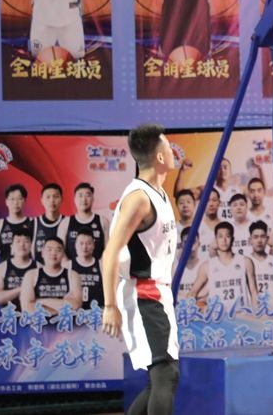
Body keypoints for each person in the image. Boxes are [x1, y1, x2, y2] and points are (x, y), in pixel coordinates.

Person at [101, 123, 180, 415]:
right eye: (168, 147)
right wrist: (110, 305)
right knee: (165, 374)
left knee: (160, 379)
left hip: (158, 293)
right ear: (159, 157)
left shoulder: (159, 192)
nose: (172, 151)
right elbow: (110, 253)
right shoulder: (139, 199)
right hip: (144, 294)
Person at [190, 222, 256, 311]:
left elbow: (254, 292)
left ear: (232, 239)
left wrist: (256, 314)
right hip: (217, 317)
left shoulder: (245, 261)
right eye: (220, 236)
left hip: (241, 316)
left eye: (227, 236)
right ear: (215, 239)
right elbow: (192, 293)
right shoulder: (207, 266)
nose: (224, 240)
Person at [21, 237, 81, 316]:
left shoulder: (72, 275)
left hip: (66, 322)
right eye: (49, 249)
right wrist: (62, 305)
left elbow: (76, 306)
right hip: (39, 323)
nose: (53, 253)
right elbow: (27, 308)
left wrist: (40, 301)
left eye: (58, 250)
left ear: (63, 254)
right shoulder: (31, 275)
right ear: (42, 253)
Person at [65, 182, 107, 261]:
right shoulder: (66, 222)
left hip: (97, 268)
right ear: (74, 199)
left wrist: (99, 265)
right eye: (80, 195)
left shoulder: (103, 221)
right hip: (71, 268)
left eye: (87, 195)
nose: (84, 199)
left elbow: (108, 250)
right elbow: (60, 250)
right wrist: (69, 266)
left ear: (93, 198)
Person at [0, 232, 36, 311]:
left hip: (33, 315)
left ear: (31, 246)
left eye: (26, 241)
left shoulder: (39, 267)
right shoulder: (2, 268)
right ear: (12, 246)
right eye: (18, 241)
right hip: (9, 315)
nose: (22, 245)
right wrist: (22, 289)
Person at [0, 184, 35, 264]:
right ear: (6, 202)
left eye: (19, 199)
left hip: (28, 268)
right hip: (5, 269)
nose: (16, 202)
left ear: (24, 201)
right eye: (12, 199)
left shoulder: (33, 222)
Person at [33, 183, 68, 265]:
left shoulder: (69, 222)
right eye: (48, 197)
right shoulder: (33, 223)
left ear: (62, 199)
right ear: (42, 200)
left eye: (56, 197)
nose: (52, 200)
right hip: (39, 271)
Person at [69, 228, 103, 310]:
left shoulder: (102, 265)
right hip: (74, 312)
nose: (84, 247)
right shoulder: (67, 265)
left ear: (93, 245)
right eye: (81, 243)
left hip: (97, 312)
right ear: (75, 245)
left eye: (88, 243)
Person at [247, 221, 273, 309]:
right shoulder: (245, 262)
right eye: (255, 237)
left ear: (267, 239)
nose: (259, 240)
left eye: (262, 237)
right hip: (254, 312)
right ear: (250, 240)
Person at [175, 227, 205, 303]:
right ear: (181, 245)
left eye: (193, 241)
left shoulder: (206, 266)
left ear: (199, 243)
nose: (190, 245)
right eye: (186, 242)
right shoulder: (174, 267)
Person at [196, 189, 223, 260]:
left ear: (219, 203)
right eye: (207, 200)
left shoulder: (226, 226)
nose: (211, 204)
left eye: (214, 200)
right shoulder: (196, 228)